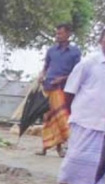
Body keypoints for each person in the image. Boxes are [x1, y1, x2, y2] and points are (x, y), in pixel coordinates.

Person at [56, 26, 105, 184]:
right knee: (74, 157)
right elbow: (69, 91)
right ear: (101, 40)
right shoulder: (88, 63)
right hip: (83, 119)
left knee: (94, 162)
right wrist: (73, 113)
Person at [37, 24, 82, 157]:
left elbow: (77, 72)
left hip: (64, 89)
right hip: (48, 87)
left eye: (60, 34)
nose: (57, 36)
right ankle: (44, 147)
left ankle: (59, 148)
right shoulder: (51, 50)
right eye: (56, 34)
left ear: (68, 34)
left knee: (60, 118)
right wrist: (41, 75)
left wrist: (62, 79)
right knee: (47, 118)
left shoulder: (75, 52)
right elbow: (45, 66)